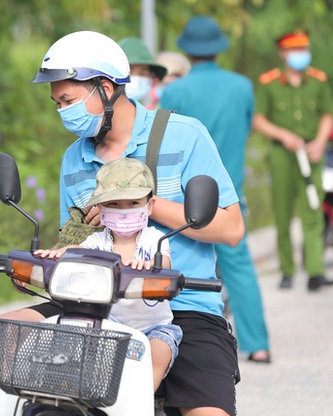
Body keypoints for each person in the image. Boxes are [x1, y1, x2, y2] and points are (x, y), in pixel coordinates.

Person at [0, 30, 245, 416]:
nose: (62, 112)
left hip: (182, 306)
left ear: (104, 88)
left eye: (68, 100)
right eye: (56, 103)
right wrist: (39, 269)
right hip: (93, 305)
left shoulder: (185, 135)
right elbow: (74, 244)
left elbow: (232, 229)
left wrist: (142, 205)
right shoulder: (75, 158)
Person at [159, 15, 271, 364]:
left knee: (185, 267)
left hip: (186, 198)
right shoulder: (242, 87)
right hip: (231, 191)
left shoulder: (175, 90)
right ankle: (258, 344)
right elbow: (248, 126)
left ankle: (179, 339)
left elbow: (162, 141)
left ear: (187, 51)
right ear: (218, 49)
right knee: (238, 265)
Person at [35, 157, 179, 392]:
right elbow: (78, 252)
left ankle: (138, 405)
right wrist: (56, 254)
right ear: (100, 209)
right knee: (71, 343)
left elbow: (165, 264)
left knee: (158, 352)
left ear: (149, 205)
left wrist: (151, 265)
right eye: (113, 204)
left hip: (153, 327)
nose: (124, 211)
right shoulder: (98, 241)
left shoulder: (154, 239)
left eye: (133, 202)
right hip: (106, 323)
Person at [252, 29, 333, 291]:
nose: (301, 55)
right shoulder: (269, 82)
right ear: (283, 53)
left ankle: (315, 271)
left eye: (304, 49)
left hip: (312, 153)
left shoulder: (318, 81)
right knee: (283, 212)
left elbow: (327, 114)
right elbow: (259, 119)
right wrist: (283, 135)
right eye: (295, 50)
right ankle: (287, 270)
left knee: (313, 212)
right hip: (283, 155)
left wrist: (320, 141)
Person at [117, 37, 167, 109]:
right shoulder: (98, 114)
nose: (137, 78)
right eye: (129, 71)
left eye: (143, 73)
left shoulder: (155, 116)